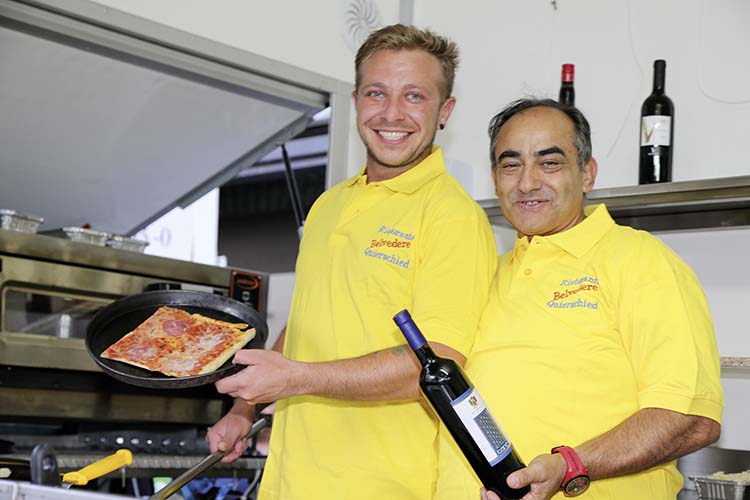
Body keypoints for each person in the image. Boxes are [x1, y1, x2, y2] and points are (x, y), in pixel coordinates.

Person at [206, 24, 498, 500]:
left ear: (445, 111)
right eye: (377, 93)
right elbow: (307, 323)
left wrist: (297, 378)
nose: (392, 113)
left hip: (385, 487)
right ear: (357, 100)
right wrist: (244, 410)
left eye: (414, 96)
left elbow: (435, 364)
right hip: (291, 481)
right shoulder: (329, 204)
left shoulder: (453, 216)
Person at [434, 98, 723, 500]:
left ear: (587, 174)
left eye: (550, 163)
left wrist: (570, 465)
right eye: (511, 165)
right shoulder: (485, 274)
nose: (527, 182)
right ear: (494, 178)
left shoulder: (640, 260)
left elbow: (691, 417)